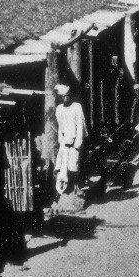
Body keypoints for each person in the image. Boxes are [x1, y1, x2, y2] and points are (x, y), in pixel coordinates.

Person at [53, 83, 87, 213]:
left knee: (73, 168)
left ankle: (75, 191)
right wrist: (61, 141)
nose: (65, 99)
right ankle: (64, 193)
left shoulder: (76, 107)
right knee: (62, 168)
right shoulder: (59, 109)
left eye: (67, 96)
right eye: (62, 97)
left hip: (74, 144)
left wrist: (77, 143)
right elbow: (60, 127)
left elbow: (80, 125)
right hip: (64, 143)